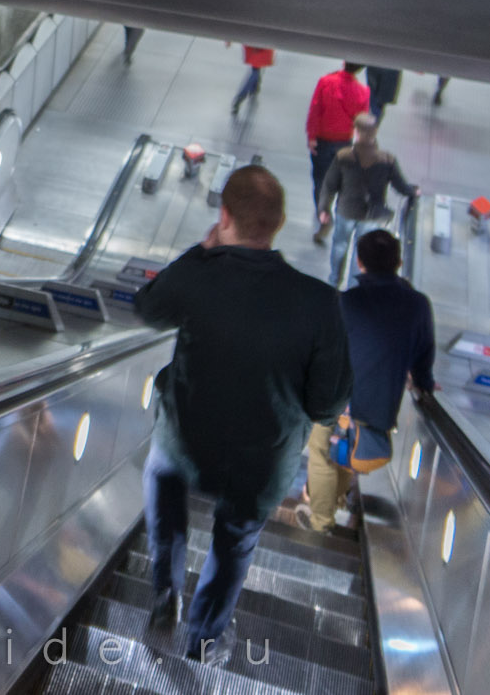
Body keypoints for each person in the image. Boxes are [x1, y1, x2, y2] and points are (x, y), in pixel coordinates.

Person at [134, 165, 352, 665]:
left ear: (223, 215)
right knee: (234, 541)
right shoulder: (321, 304)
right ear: (277, 224)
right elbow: (325, 405)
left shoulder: (200, 277)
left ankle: (166, 595)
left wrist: (200, 253)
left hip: (183, 442)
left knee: (164, 489)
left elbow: (146, 308)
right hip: (261, 460)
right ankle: (204, 638)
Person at [300, 229, 435, 533]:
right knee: (349, 454)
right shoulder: (418, 305)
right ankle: (334, 503)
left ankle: (321, 524)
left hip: (337, 398)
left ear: (359, 262)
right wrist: (423, 383)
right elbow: (423, 355)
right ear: (398, 262)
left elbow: (321, 350)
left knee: (321, 454)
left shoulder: (346, 302)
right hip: (381, 403)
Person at [316, 115, 418, 286]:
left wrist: (324, 208)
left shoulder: (343, 156)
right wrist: (413, 191)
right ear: (375, 132)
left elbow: (329, 185)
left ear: (355, 132)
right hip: (371, 215)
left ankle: (334, 282)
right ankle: (354, 287)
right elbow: (400, 186)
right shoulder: (387, 160)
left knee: (340, 246)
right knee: (362, 252)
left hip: (346, 211)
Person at [306, 62, 369, 241]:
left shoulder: (326, 82)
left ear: (344, 63)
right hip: (344, 142)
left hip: (323, 139)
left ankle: (324, 216)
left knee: (319, 180)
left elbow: (315, 109)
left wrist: (311, 136)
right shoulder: (362, 91)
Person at [230, 43, 275, 118]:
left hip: (255, 47)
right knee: (255, 71)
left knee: (255, 70)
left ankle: (251, 90)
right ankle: (242, 97)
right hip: (259, 47)